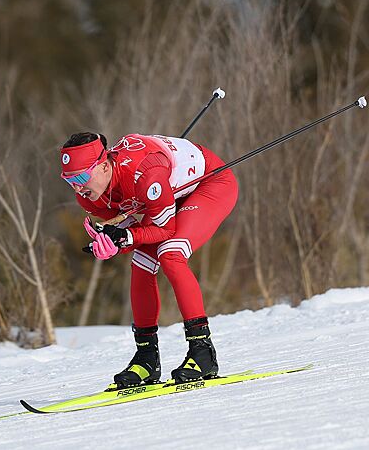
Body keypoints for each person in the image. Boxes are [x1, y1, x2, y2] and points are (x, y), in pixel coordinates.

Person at [60, 132, 238, 387]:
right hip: (164, 196)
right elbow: (130, 232)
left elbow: (163, 230)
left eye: (80, 178)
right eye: (69, 180)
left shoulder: (143, 173)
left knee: (171, 254)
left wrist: (125, 237)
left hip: (209, 184)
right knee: (142, 264)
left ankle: (202, 352)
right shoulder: (90, 194)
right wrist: (113, 244)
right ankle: (146, 359)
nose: (77, 188)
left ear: (103, 165)